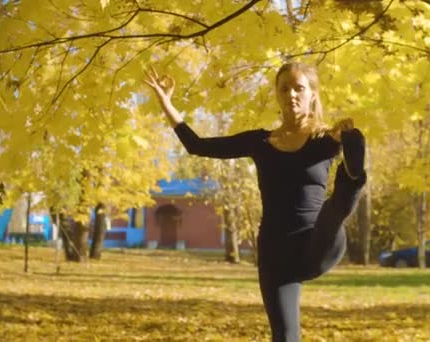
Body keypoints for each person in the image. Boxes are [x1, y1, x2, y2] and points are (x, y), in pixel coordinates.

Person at [145, 62, 367, 342]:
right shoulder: (260, 142)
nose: (291, 95)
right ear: (277, 94)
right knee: (285, 336)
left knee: (333, 209)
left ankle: (355, 175)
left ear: (313, 94)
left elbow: (332, 200)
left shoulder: (326, 139)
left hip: (318, 241)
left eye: (299, 88)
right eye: (284, 88)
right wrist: (166, 102)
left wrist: (345, 139)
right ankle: (352, 176)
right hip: (276, 250)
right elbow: (197, 145)